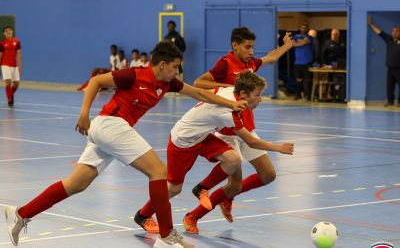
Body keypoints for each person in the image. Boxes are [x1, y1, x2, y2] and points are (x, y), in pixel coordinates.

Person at [3, 41, 247, 248]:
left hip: (111, 132)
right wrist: (84, 114)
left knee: (77, 183)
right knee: (159, 172)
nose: (177, 72)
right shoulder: (133, 74)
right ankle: (166, 236)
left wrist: (230, 104)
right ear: (162, 65)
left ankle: (21, 213)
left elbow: (201, 94)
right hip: (109, 125)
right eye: (174, 67)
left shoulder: (168, 83)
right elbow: (97, 81)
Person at [133, 71, 294, 234]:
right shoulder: (230, 112)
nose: (260, 99)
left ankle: (201, 188)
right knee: (174, 188)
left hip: (203, 137)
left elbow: (205, 93)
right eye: (258, 95)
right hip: (183, 141)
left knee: (233, 159)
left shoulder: (229, 91)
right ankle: (143, 215)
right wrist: (279, 148)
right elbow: (251, 141)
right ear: (244, 93)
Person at [190, 26, 293, 229]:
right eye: (247, 47)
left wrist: (287, 45)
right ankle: (193, 216)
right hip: (228, 132)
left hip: (247, 128)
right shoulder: (225, 64)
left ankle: (227, 197)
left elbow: (270, 58)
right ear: (235, 45)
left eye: (253, 47)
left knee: (268, 175)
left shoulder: (251, 63)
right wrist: (227, 87)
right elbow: (198, 83)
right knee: (234, 184)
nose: (251, 51)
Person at [368, 16, 400, 107]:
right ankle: (390, 101)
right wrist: (371, 24)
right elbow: (380, 32)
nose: (394, 33)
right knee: (389, 86)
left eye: (397, 31)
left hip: (399, 68)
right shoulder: (389, 39)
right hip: (390, 67)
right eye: (393, 31)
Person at [0, 26, 22, 107]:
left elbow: (19, 54)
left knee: (16, 84)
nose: (8, 31)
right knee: (8, 82)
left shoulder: (17, 41)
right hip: (5, 65)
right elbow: (0, 55)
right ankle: (9, 99)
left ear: (12, 32)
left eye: (10, 30)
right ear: (4, 33)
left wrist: (20, 66)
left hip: (14, 65)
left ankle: (10, 94)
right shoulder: (2, 43)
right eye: (6, 31)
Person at [292, 23, 313, 100]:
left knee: (307, 80)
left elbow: (304, 42)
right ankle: (298, 95)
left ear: (307, 29)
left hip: (307, 61)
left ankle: (308, 96)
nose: (303, 29)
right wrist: (298, 43)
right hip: (297, 62)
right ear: (300, 28)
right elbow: (292, 43)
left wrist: (298, 43)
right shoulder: (296, 36)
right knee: (298, 79)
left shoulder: (310, 37)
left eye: (305, 28)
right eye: (302, 28)